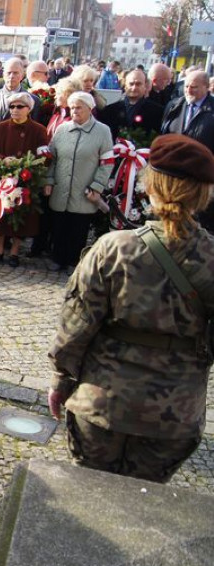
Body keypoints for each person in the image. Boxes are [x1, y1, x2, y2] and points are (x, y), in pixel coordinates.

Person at [48, 134, 214, 483]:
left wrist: (61, 381)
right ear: (204, 193)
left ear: (150, 184)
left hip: (103, 401)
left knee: (91, 496)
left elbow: (75, 327)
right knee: (142, 505)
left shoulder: (114, 248)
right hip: (173, 415)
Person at [43, 91, 114, 271]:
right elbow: (53, 158)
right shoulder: (62, 129)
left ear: (90, 109)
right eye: (72, 107)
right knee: (59, 224)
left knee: (78, 227)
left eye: (79, 107)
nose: (74, 111)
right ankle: (58, 257)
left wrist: (97, 186)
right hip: (61, 187)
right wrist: (49, 180)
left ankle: (74, 261)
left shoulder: (102, 131)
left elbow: (107, 163)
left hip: (85, 188)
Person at [0, 92, 48, 267]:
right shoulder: (0, 128)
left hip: (27, 179)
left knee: (22, 215)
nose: (15, 110)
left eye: (20, 106)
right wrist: (2, 159)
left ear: (29, 109)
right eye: (12, 106)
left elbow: (45, 155)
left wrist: (28, 163)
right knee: (1, 213)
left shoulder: (39, 130)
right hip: (3, 178)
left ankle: (15, 252)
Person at [161, 70, 214, 230]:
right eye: (186, 86)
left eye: (194, 87)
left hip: (202, 175)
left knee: (200, 218)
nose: (189, 91)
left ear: (206, 87)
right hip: (175, 173)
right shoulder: (174, 106)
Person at [98, 69, 163, 142]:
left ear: (145, 86)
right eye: (131, 84)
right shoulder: (109, 111)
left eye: (138, 84)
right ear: (125, 86)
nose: (134, 88)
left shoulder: (157, 112)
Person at [0, 58, 39, 129]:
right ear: (3, 75)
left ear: (22, 76)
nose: (11, 76)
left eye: (15, 73)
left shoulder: (33, 100)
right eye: (9, 73)